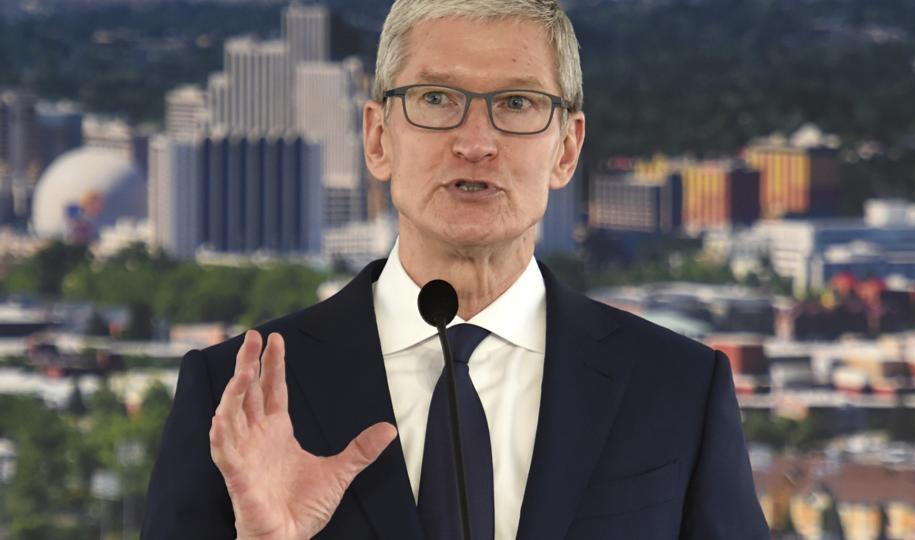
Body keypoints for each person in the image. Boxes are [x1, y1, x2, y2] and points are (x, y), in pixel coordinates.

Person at [142, 0, 770, 538]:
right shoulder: (236, 395)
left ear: (568, 148)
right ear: (377, 138)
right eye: (437, 98)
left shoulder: (679, 388)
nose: (475, 141)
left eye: (517, 102)